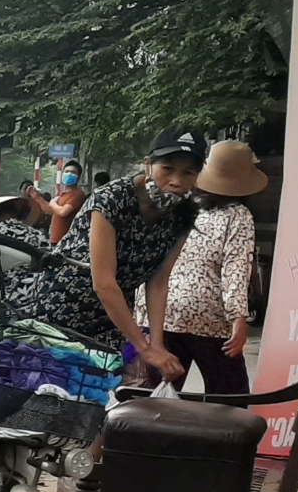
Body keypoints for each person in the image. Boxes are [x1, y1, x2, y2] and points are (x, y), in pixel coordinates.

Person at [23, 127, 204, 385]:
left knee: (100, 398)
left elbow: (159, 281)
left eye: (188, 173)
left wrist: (157, 344)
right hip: (62, 306)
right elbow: (104, 283)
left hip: (113, 319)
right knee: (53, 397)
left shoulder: (184, 213)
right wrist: (143, 347)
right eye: (168, 169)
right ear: (148, 165)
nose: (176, 181)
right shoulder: (112, 199)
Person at [136, 140, 263, 394]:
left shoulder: (178, 204)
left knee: (153, 397)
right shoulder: (238, 215)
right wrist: (239, 319)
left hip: (158, 311)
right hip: (209, 317)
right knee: (229, 398)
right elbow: (235, 270)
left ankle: (151, 434)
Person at [48, 159, 88, 243]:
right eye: (66, 171)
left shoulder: (78, 194)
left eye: (73, 172)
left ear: (78, 177)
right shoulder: (62, 195)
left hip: (66, 241)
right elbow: (50, 210)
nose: (69, 174)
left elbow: (63, 212)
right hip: (55, 239)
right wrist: (36, 197)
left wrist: (52, 203)